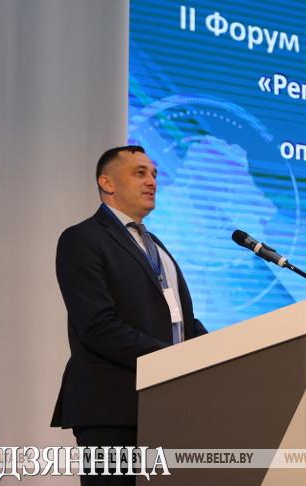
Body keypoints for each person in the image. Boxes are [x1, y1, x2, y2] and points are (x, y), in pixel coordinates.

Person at [50, 145, 208, 485]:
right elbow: (98, 326)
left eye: (154, 174)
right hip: (114, 407)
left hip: (168, 403)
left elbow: (182, 320)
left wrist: (216, 351)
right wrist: (173, 359)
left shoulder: (157, 246)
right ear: (107, 183)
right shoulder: (83, 238)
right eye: (140, 173)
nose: (152, 181)